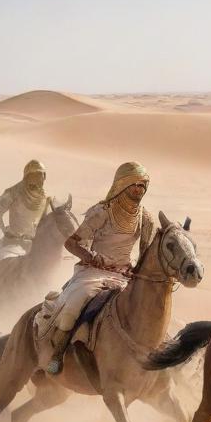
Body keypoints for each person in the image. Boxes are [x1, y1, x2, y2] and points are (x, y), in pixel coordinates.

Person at [45, 161, 155, 375]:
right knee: (74, 304)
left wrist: (139, 272)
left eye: (143, 186)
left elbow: (144, 254)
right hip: (93, 273)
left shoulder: (146, 218)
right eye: (135, 184)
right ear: (122, 184)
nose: (139, 190)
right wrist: (91, 256)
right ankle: (57, 353)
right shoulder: (101, 212)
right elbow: (71, 243)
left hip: (123, 276)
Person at [0, 160, 51, 276]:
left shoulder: (44, 198)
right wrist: (5, 230)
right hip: (12, 242)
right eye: (35, 175)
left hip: (33, 244)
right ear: (27, 176)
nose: (39, 178)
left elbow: (44, 223)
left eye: (41, 175)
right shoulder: (12, 193)